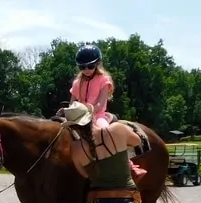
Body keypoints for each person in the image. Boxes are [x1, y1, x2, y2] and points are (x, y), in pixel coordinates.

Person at [63, 44, 146, 180]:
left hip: (98, 115)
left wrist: (86, 110)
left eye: (90, 66)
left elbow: (100, 104)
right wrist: (68, 110)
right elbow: (72, 102)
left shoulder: (104, 80)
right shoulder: (77, 82)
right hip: (78, 116)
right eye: (82, 67)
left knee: (107, 133)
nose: (86, 70)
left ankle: (130, 166)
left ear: (98, 64)